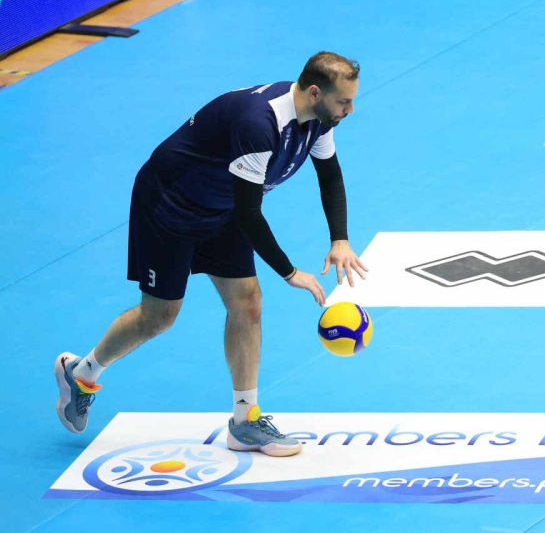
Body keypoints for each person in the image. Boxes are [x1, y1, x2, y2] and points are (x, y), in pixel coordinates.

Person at [53, 51, 369, 457]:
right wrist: (290, 272)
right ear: (314, 93)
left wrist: (339, 238)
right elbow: (250, 213)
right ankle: (80, 374)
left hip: (222, 207)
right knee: (159, 316)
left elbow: (330, 176)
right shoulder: (260, 123)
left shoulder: (319, 119)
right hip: (169, 204)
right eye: (344, 101)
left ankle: (245, 421)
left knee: (248, 304)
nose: (350, 109)